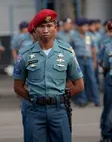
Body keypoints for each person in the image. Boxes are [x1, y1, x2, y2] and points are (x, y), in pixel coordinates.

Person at [13, 9, 84, 142]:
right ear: (35, 29)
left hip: (59, 110)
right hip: (35, 111)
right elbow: (18, 86)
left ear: (55, 28)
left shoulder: (67, 52)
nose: (45, 30)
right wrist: (35, 99)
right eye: (41, 26)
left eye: (49, 26)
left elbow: (79, 85)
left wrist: (61, 98)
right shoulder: (24, 54)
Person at [70, 18, 100, 107]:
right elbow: (71, 50)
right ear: (79, 27)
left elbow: (94, 49)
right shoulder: (74, 36)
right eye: (84, 26)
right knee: (80, 80)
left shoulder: (90, 36)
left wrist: (95, 62)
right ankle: (82, 99)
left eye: (87, 25)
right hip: (79, 60)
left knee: (92, 79)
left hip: (89, 59)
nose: (86, 27)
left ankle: (96, 99)